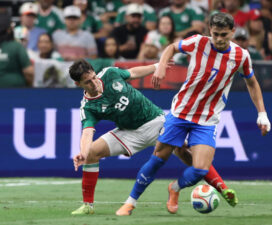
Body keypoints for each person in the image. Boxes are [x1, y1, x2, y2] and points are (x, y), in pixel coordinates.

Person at [116, 12, 271, 216]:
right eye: (215, 34)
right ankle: (130, 202)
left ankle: (175, 188)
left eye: (224, 34)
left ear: (233, 32)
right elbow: (172, 47)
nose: (219, 39)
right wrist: (161, 65)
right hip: (181, 112)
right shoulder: (198, 42)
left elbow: (252, 83)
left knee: (200, 169)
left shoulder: (241, 56)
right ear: (210, 31)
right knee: (158, 158)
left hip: (207, 120)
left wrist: (262, 113)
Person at [70, 59, 238, 215]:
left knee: (185, 152)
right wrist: (83, 153)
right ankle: (88, 206)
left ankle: (222, 188)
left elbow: (133, 73)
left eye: (93, 77)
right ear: (78, 84)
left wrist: (157, 66)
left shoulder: (109, 74)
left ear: (94, 72)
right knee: (92, 153)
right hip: (128, 132)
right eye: (88, 82)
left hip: (155, 121)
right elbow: (87, 133)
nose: (94, 83)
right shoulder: (88, 106)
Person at [0, 10, 34, 87]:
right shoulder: (16, 46)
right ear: (8, 30)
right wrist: (29, 86)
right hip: (16, 90)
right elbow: (29, 72)